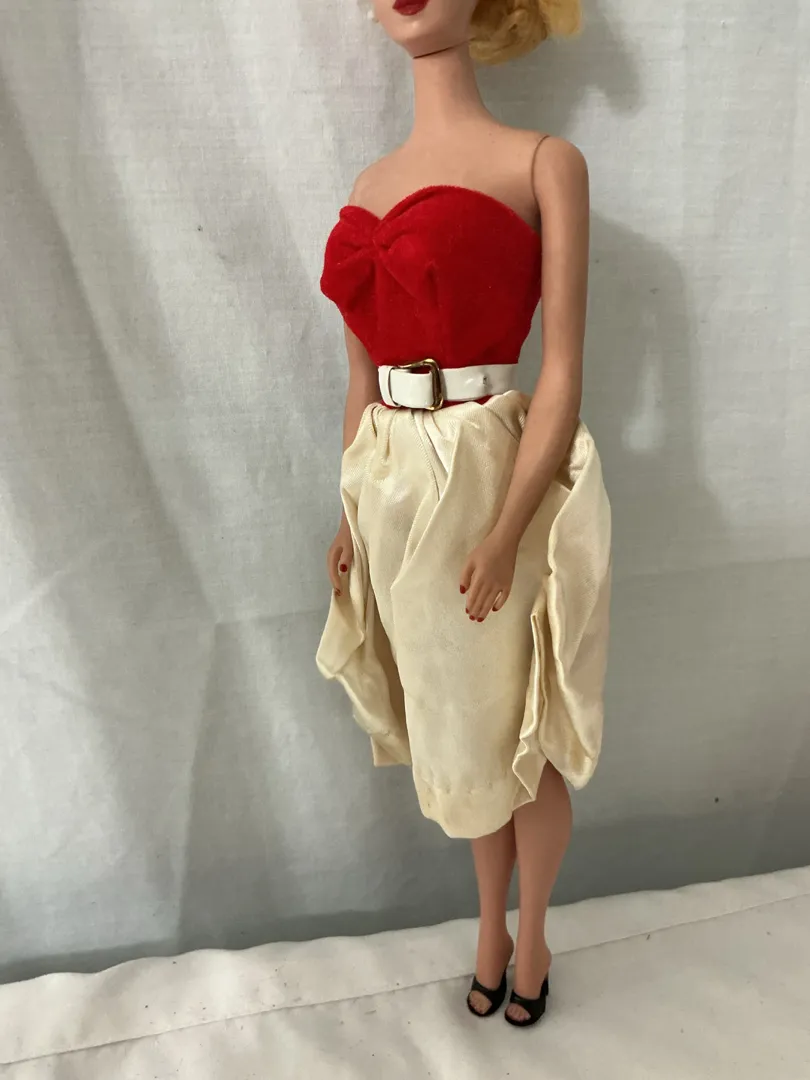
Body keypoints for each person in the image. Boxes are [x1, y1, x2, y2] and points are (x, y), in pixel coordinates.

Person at [316, 0, 611, 1028]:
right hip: (394, 492)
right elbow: (359, 381)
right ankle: (489, 928)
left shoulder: (544, 163)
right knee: (457, 732)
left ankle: (532, 935)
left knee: (514, 724)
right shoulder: (367, 188)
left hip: (489, 476)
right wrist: (349, 513)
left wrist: (507, 528)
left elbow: (562, 371)